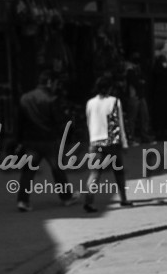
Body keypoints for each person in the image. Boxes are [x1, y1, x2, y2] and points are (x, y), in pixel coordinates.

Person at [13, 73, 75, 211]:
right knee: (57, 169)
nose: (55, 86)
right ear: (49, 82)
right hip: (49, 141)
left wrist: (18, 141)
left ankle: (22, 201)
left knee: (28, 171)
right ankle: (66, 197)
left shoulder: (25, 98)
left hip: (31, 141)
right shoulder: (52, 99)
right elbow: (59, 121)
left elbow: (19, 122)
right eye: (54, 83)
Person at [83, 73, 130, 212]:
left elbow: (88, 121)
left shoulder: (90, 103)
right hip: (111, 142)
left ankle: (89, 202)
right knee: (119, 172)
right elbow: (119, 123)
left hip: (95, 142)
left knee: (95, 173)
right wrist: (125, 142)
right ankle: (123, 199)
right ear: (109, 88)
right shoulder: (115, 101)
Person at [148, 53, 167, 142]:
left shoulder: (164, 71)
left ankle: (163, 132)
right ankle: (159, 132)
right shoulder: (157, 71)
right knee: (160, 115)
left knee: (164, 115)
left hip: (164, 96)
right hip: (159, 97)